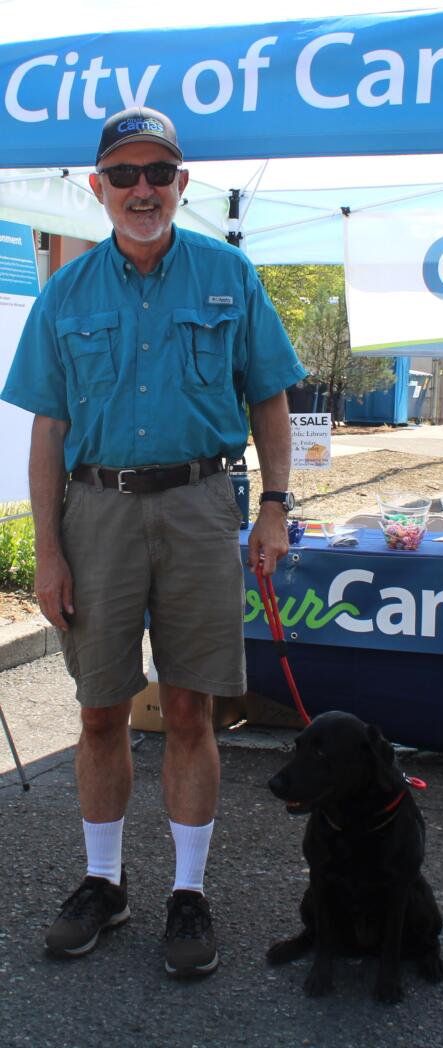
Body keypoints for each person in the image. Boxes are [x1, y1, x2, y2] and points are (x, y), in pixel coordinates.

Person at [0, 106, 307, 978]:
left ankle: (188, 893)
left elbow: (271, 399)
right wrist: (49, 552)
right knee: (99, 709)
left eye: (159, 175)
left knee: (189, 708)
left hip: (200, 505)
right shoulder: (67, 292)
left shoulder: (228, 274)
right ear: (97, 189)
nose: (143, 190)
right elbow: (48, 431)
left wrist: (276, 506)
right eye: (125, 176)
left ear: (182, 185)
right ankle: (105, 882)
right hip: (94, 514)